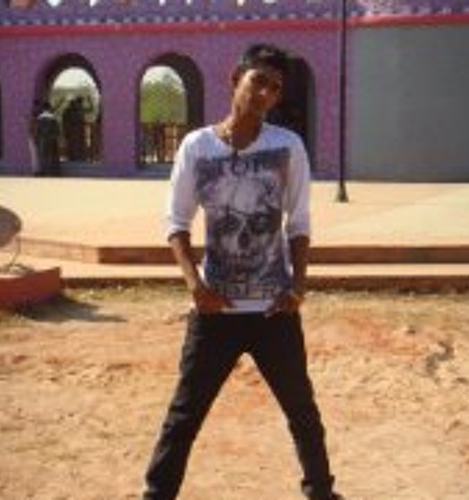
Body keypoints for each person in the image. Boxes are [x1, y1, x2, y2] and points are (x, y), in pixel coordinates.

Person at [142, 44, 343, 500]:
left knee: (302, 412)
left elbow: (300, 222)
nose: (266, 93)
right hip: (216, 310)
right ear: (236, 79)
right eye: (259, 81)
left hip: (274, 309)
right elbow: (176, 222)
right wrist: (196, 287)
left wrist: (298, 286)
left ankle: (321, 492)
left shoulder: (287, 146)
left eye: (275, 88)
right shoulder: (197, 146)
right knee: (184, 415)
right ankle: (156, 494)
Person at [33, 100, 60, 176]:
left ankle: (44, 170)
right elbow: (57, 130)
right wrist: (56, 137)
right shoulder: (53, 118)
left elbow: (37, 130)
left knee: (43, 155)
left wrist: (36, 139)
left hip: (42, 139)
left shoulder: (39, 118)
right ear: (49, 108)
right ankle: (51, 171)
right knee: (51, 155)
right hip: (51, 139)